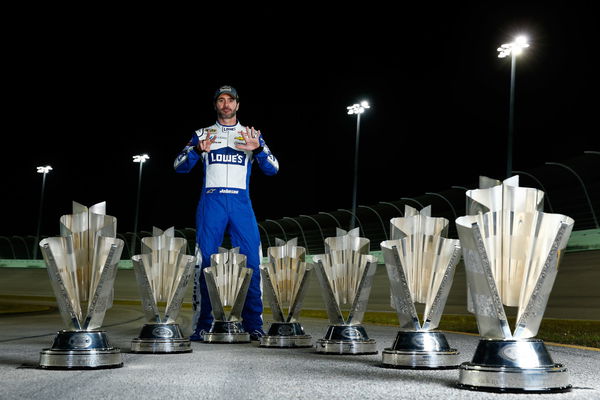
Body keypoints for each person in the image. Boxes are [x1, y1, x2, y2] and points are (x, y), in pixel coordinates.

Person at [174, 85, 279, 341]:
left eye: (230, 100)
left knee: (252, 263)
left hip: (241, 203)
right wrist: (197, 150)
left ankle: (254, 325)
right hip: (212, 201)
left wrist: (258, 149)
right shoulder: (202, 134)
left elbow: (273, 168)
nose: (225, 104)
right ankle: (202, 325)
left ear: (237, 105)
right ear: (215, 105)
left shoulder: (251, 134)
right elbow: (178, 166)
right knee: (205, 263)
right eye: (220, 100)